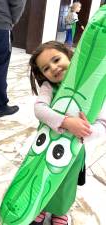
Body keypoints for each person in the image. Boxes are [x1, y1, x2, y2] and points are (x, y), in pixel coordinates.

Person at [28, 41, 106, 225]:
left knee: (65, 183)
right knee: (41, 177)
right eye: (46, 68)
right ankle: (41, 206)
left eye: (57, 59)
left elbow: (103, 124)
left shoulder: (94, 88)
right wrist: (66, 122)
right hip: (47, 145)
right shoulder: (49, 87)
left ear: (70, 56)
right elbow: (39, 109)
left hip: (74, 151)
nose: (54, 68)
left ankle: (60, 212)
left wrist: (87, 130)